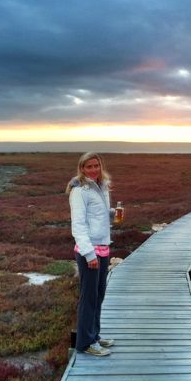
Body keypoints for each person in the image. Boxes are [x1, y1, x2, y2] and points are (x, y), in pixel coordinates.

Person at [66, 152, 116, 356]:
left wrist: (111, 214)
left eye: (96, 165)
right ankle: (85, 343)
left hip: (103, 247)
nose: (94, 169)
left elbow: (96, 216)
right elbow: (78, 225)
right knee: (89, 298)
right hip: (90, 251)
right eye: (89, 167)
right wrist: (89, 254)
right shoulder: (80, 191)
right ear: (82, 169)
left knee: (99, 295)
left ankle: (94, 335)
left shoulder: (102, 187)